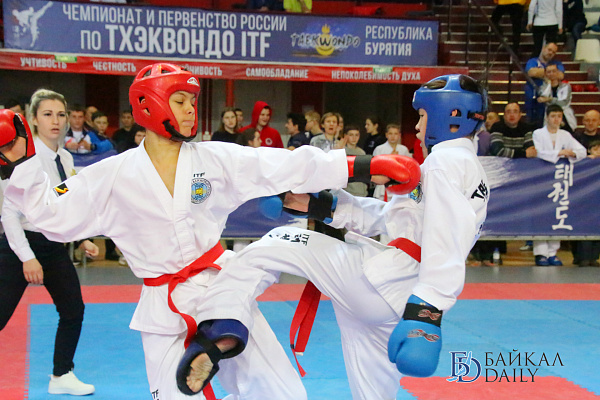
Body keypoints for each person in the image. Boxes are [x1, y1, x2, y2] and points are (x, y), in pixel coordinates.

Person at [0, 63, 415, 400]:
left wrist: (360, 166)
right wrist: (20, 163)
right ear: (149, 104)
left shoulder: (213, 159)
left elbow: (281, 165)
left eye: (192, 102)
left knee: (281, 393)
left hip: (222, 289)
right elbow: (51, 215)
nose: (189, 110)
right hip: (162, 305)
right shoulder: (111, 176)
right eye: (179, 101)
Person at [177, 74, 489, 400]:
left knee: (273, 244)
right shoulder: (462, 167)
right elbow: (395, 220)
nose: (417, 126)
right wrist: (325, 205)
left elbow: (447, 238)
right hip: (393, 301)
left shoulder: (445, 162)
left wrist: (428, 311)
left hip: (386, 283)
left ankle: (221, 329)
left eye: (423, 116)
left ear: (449, 116)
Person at [0, 90, 98, 396]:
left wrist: (81, 238)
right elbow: (9, 213)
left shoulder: (64, 158)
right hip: (19, 244)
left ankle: (61, 374)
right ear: (33, 120)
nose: (55, 121)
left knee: (73, 309)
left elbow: (59, 202)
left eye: (60, 114)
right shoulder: (23, 156)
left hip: (52, 244)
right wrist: (27, 257)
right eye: (47, 114)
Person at [532, 104, 586, 266]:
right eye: (553, 116)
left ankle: (552, 253)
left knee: (556, 214)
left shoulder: (565, 135)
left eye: (559, 116)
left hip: (559, 180)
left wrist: (572, 153)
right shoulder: (538, 133)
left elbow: (582, 151)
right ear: (547, 117)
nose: (556, 119)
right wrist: (560, 153)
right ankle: (540, 253)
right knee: (542, 215)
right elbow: (538, 152)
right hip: (541, 179)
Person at [524, 42, 565, 128]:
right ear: (543, 49)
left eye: (553, 52)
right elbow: (531, 72)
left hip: (551, 98)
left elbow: (561, 75)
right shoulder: (533, 61)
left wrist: (540, 72)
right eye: (549, 50)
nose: (551, 53)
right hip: (533, 97)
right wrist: (552, 72)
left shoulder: (557, 63)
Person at [373, 124, 412, 201]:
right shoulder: (379, 149)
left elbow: (409, 168)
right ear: (386, 135)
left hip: (399, 185)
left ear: (399, 135)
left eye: (395, 134)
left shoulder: (403, 150)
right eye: (390, 133)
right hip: (382, 187)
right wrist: (390, 160)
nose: (393, 136)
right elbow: (375, 168)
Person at [537, 64, 577, 132]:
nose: (551, 74)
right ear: (545, 74)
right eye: (549, 72)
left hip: (564, 115)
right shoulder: (542, 87)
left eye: (554, 71)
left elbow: (563, 103)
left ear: (558, 72)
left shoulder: (566, 86)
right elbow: (543, 97)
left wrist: (549, 99)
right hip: (548, 115)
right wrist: (548, 84)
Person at [339, 125, 368, 197]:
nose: (354, 138)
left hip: (361, 190)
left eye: (356, 135)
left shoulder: (362, 153)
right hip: (346, 190)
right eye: (351, 135)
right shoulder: (341, 151)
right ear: (345, 136)